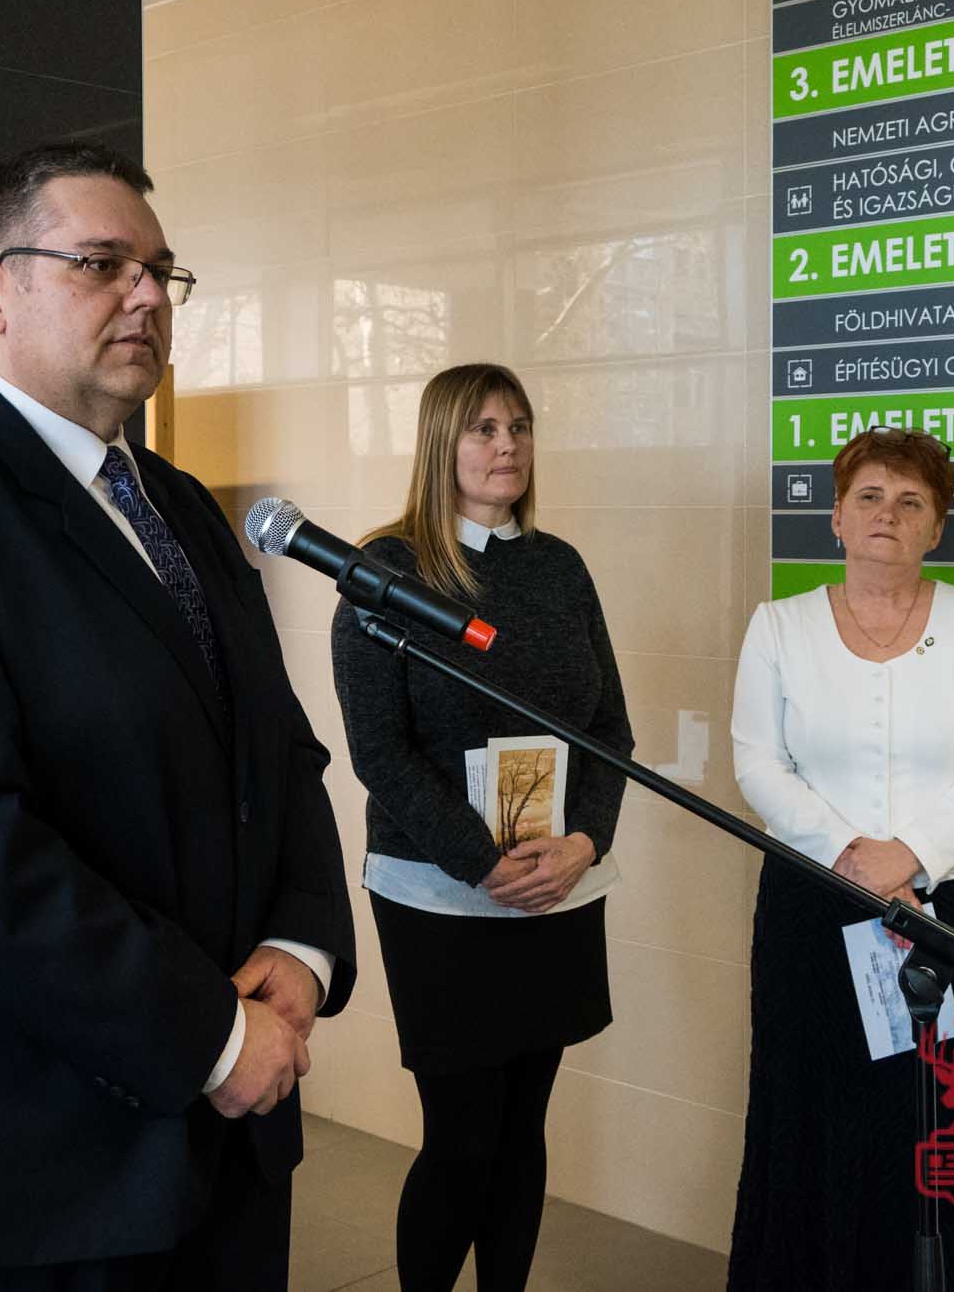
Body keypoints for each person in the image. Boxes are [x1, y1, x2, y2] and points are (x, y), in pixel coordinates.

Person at [0, 141, 356, 1291]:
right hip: (33, 1179)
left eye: (160, 271)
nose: (146, 296)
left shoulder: (180, 508)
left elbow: (279, 752)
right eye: (101, 264)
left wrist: (302, 947)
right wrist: (209, 1034)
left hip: (230, 1152)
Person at [329, 363, 633, 1292]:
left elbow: (610, 729)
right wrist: (479, 860)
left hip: (557, 885)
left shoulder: (559, 567)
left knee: (522, 1129)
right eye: (484, 428)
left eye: (519, 427)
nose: (508, 445)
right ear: (441, 443)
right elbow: (379, 751)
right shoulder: (385, 571)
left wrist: (584, 842)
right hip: (439, 894)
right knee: (462, 1138)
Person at [726, 426, 954, 1291]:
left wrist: (911, 855)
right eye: (868, 496)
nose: (887, 515)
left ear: (937, 526)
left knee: (952, 1125)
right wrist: (847, 854)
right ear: (835, 516)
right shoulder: (778, 626)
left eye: (911, 502)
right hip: (813, 905)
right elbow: (756, 762)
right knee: (815, 1113)